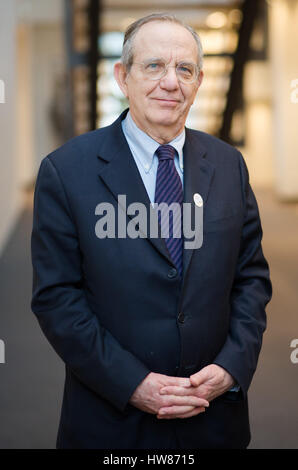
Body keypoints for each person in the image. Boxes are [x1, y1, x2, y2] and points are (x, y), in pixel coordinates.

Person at [31, 13, 272, 449]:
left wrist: (233, 366)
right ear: (123, 76)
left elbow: (251, 278)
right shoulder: (66, 172)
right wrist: (133, 383)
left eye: (184, 69)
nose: (170, 82)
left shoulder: (227, 164)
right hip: (113, 422)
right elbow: (56, 298)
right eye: (154, 66)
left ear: (198, 82)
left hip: (214, 419)